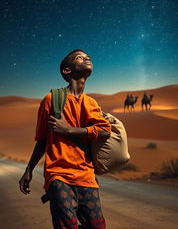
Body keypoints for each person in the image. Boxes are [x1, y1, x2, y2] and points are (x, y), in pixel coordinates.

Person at [19, 49, 111, 229]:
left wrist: (69, 130)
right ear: (66, 71)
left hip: (86, 175)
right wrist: (28, 170)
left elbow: (105, 131)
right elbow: (43, 139)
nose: (87, 58)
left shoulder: (91, 103)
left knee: (97, 226)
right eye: (80, 57)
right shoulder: (51, 99)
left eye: (87, 57)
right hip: (58, 174)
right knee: (67, 225)